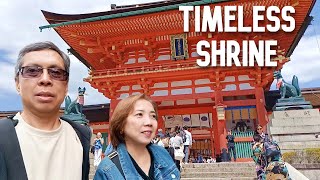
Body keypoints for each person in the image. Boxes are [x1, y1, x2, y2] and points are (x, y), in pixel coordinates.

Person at [0, 41, 91, 180]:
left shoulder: (81, 136)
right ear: (17, 83)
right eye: (32, 71)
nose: (45, 79)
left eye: (55, 72)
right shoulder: (3, 135)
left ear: (66, 86)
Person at [94, 94, 180, 179]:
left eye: (153, 116)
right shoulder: (107, 169)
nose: (149, 122)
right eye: (139, 114)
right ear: (121, 125)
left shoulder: (162, 153)